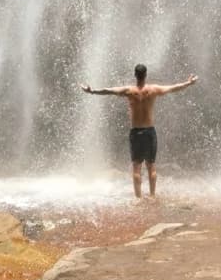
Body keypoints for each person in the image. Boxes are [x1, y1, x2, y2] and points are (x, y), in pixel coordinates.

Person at [82, 64, 198, 199]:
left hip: (136, 132)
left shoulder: (129, 91)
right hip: (150, 132)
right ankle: (152, 196)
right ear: (146, 75)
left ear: (135, 75)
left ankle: (138, 198)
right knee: (151, 165)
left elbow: (109, 90)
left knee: (136, 166)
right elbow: (173, 88)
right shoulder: (153, 89)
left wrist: (92, 91)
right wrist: (188, 83)